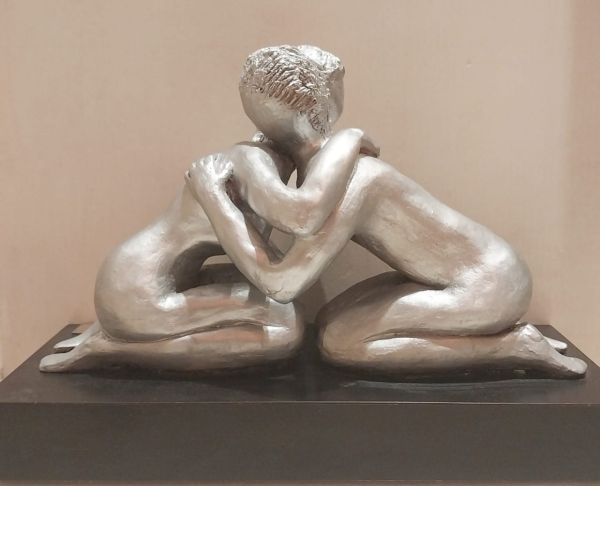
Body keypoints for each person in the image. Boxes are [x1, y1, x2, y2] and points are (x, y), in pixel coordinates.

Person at [189, 49, 587, 379]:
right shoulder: (324, 177)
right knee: (328, 322)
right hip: (455, 277)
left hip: (491, 284)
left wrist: (214, 198)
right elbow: (295, 228)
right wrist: (351, 137)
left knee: (339, 342)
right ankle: (497, 339)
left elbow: (283, 283)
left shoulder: (352, 181)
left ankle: (513, 346)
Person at [39, 45, 376, 372]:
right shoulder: (251, 160)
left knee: (283, 314)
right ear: (314, 107)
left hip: (144, 281)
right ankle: (112, 349)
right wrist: (350, 139)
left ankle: (115, 335)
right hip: (136, 291)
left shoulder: (263, 156)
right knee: (284, 330)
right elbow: (300, 216)